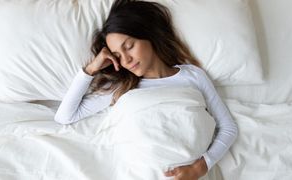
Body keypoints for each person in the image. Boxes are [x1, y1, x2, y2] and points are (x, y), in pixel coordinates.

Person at [54, 0, 238, 179]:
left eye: (129, 47)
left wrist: (200, 168)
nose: (126, 60)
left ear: (148, 35)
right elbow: (64, 117)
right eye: (118, 56)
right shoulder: (122, 87)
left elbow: (228, 128)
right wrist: (91, 69)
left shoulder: (193, 76)